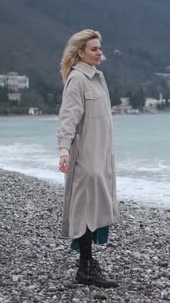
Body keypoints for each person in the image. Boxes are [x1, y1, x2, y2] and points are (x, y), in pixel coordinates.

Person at [57, 29, 119, 288]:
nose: (99, 52)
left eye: (100, 48)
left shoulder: (98, 79)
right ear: (80, 52)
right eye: (94, 49)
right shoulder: (77, 80)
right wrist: (63, 150)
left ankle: (88, 266)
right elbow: (68, 119)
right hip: (85, 160)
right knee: (84, 212)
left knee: (96, 210)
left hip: (102, 157)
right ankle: (85, 269)